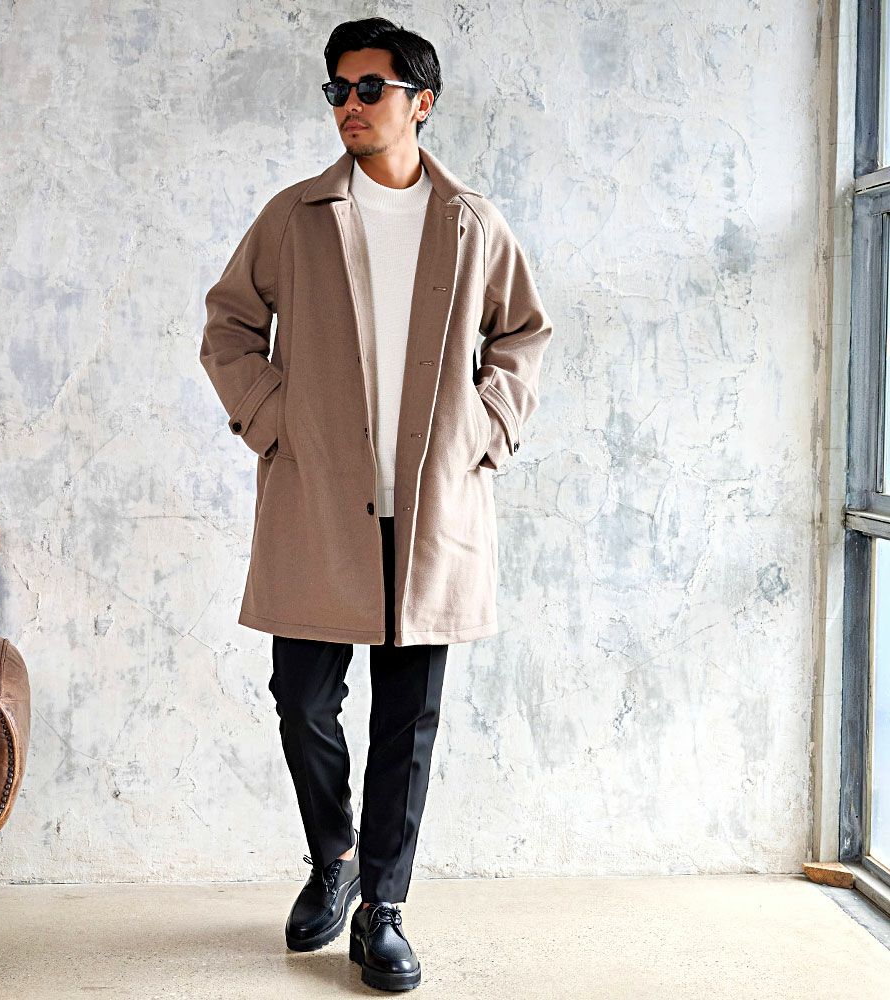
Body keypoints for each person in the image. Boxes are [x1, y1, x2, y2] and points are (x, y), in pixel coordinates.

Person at [200, 16, 552, 993]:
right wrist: (275, 423)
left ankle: (382, 912)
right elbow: (229, 326)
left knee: (408, 721)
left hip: (430, 508)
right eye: (338, 90)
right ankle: (335, 856)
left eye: (369, 89)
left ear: (420, 101)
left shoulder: (472, 221)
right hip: (320, 499)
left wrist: (483, 431)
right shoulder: (296, 216)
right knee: (303, 701)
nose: (349, 106)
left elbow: (522, 336)